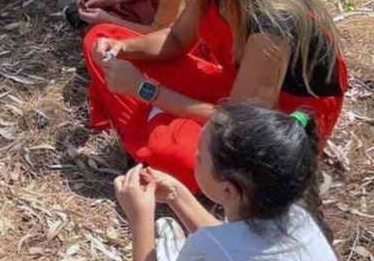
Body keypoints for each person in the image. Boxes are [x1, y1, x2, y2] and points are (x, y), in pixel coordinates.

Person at [83, 0, 348, 191]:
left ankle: (156, 132)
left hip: (274, 118)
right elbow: (177, 42)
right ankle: (157, 128)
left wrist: (144, 89)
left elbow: (241, 122)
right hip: (233, 89)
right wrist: (123, 48)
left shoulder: (271, 22)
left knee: (179, 157)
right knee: (98, 37)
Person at [112, 105, 336, 261]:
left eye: (199, 157)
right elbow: (230, 246)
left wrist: (140, 219)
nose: (194, 155)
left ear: (228, 189)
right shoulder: (299, 219)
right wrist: (176, 195)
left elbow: (219, 247)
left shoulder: (209, 246)